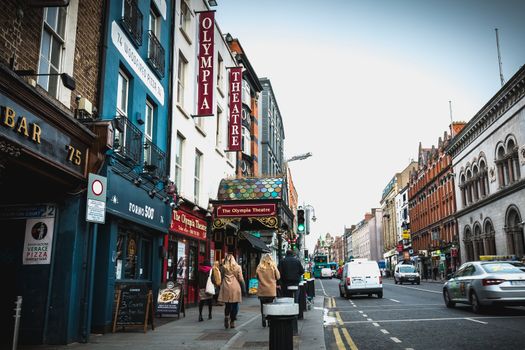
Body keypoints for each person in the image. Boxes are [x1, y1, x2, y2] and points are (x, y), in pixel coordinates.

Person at [218, 254, 244, 329]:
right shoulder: (238, 267)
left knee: (227, 305)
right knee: (235, 305)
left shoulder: (223, 267)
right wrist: (244, 288)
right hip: (235, 287)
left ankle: (226, 317)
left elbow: (222, 277)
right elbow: (241, 279)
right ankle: (232, 322)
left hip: (226, 287)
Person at [256, 254, 280, 327]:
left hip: (262, 290)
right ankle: (269, 320)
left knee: (262, 305)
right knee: (270, 305)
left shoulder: (259, 267)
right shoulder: (273, 267)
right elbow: (278, 277)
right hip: (271, 290)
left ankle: (263, 317)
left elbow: (257, 277)